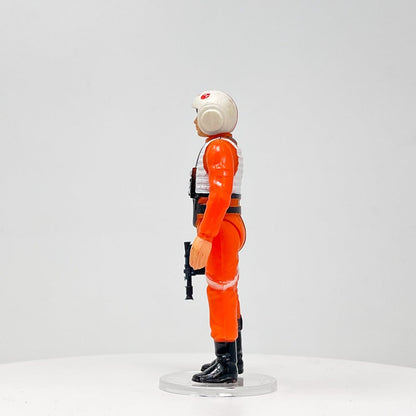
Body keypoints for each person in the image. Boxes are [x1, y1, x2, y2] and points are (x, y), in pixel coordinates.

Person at [188, 90, 246, 383]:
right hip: (224, 226)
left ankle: (227, 364)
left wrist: (205, 236)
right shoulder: (222, 146)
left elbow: (219, 196)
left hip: (220, 228)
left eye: (198, 115)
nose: (195, 121)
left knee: (220, 291)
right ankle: (233, 357)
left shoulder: (219, 148)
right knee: (228, 290)